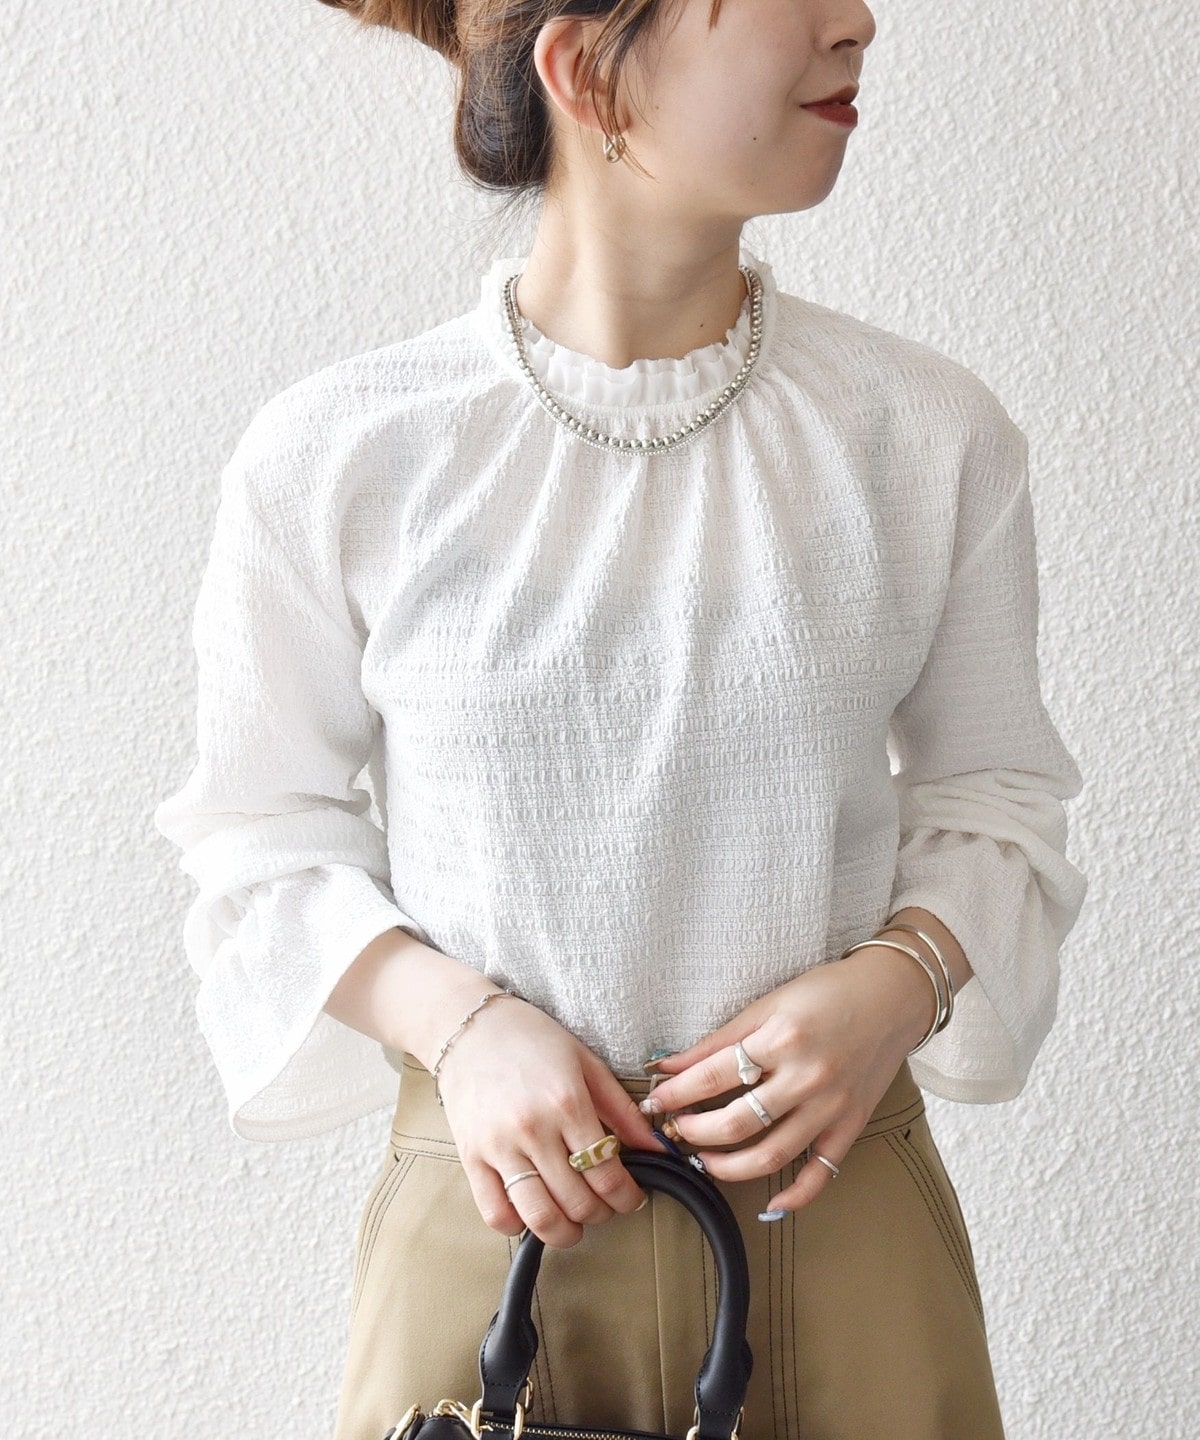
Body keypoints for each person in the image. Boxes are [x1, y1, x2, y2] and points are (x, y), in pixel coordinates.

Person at [152, 1, 1089, 1437]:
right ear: (586, 68)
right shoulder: (345, 452)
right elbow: (255, 833)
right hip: (499, 1233)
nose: (857, 21)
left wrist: (897, 984)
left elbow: (998, 796)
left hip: (836, 1224)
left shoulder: (925, 433)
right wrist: (461, 1029)